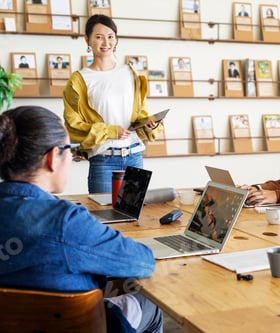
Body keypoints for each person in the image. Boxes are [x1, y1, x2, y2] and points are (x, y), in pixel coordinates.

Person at [0, 105, 163, 332]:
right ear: (52, 158)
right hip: (77, 325)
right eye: (70, 149)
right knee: (150, 305)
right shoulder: (65, 221)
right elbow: (143, 262)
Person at [63, 14, 163, 193]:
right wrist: (109, 131)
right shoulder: (79, 80)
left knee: (135, 219)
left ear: (116, 39)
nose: (106, 42)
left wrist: (148, 124)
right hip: (103, 160)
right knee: (103, 218)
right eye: (99, 37)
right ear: (87, 39)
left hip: (134, 156)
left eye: (110, 37)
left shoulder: (130, 72)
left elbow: (140, 112)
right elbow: (73, 126)